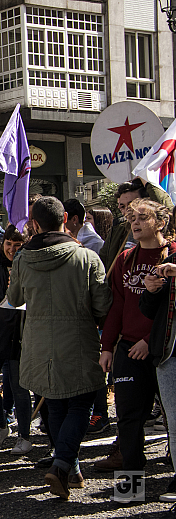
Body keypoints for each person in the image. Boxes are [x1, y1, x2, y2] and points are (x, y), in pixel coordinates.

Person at [7, 196, 112, 500]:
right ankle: (63, 463)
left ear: (35, 224)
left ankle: (72, 468)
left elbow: (14, 299)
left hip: (38, 343)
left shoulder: (23, 258)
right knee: (80, 405)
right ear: (65, 217)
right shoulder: (87, 258)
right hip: (78, 339)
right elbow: (102, 304)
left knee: (55, 404)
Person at [98, 199, 175, 502]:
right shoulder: (125, 258)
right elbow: (117, 305)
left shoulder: (172, 255)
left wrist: (149, 339)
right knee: (128, 418)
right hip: (128, 349)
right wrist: (107, 346)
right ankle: (130, 487)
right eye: (132, 217)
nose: (135, 222)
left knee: (173, 417)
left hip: (164, 349)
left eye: (144, 217)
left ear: (161, 222)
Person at [0, 225, 33, 455]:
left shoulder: (30, 267)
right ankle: (1, 426)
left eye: (17, 245)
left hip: (21, 336)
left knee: (20, 389)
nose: (11, 249)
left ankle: (25, 435)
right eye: (8, 244)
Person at [141, 254, 176, 502]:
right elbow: (148, 311)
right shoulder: (170, 261)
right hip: (169, 353)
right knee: (174, 424)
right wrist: (151, 291)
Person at [98, 178, 173, 271]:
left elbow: (168, 211)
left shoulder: (170, 245)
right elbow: (103, 261)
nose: (126, 211)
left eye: (131, 205)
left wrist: (146, 179)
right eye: (122, 206)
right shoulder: (117, 230)